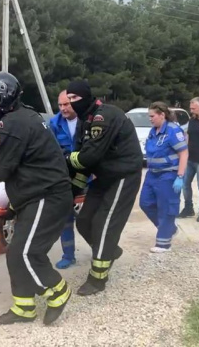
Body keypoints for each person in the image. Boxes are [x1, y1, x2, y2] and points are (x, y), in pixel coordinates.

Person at [0, 71, 73, 326]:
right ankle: (23, 307)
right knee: (17, 252)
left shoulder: (12, 124)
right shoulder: (26, 115)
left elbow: (0, 171)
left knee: (24, 253)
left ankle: (57, 290)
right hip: (36, 195)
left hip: (47, 196)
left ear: (3, 99)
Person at [66, 80, 143, 296]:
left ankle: (97, 279)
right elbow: (84, 162)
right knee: (83, 221)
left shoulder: (104, 116)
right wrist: (73, 191)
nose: (71, 104)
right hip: (104, 175)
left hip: (123, 176)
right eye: (68, 99)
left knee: (104, 224)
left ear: (86, 97)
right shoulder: (84, 122)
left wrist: (64, 158)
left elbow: (89, 156)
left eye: (74, 99)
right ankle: (109, 251)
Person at [139, 102, 189, 253]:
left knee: (166, 207)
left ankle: (163, 243)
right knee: (145, 203)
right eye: (149, 116)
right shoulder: (153, 131)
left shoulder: (173, 130)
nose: (150, 119)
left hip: (168, 174)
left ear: (162, 115)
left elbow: (183, 153)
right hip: (152, 174)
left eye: (152, 116)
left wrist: (180, 176)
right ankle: (169, 228)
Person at [49, 90, 80, 269]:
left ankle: (99, 250)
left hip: (89, 176)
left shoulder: (87, 120)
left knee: (91, 219)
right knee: (65, 218)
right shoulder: (54, 123)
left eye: (66, 104)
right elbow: (51, 149)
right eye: (60, 105)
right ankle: (68, 255)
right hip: (65, 177)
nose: (63, 109)